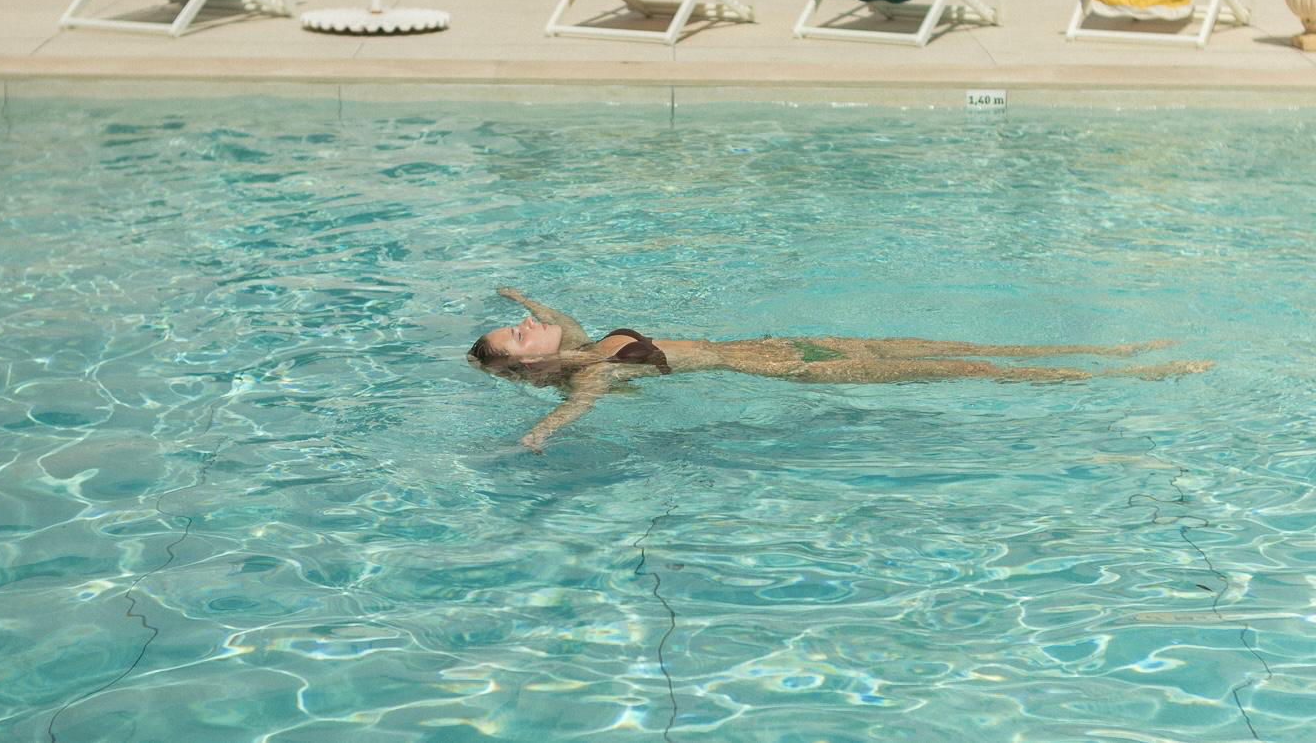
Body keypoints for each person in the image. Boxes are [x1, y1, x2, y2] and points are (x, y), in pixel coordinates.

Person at [468, 287, 1211, 451]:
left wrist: (518, 299)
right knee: (967, 365)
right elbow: (571, 411)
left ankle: (1112, 354)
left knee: (934, 348)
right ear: (527, 367)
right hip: (802, 375)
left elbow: (555, 316)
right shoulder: (587, 375)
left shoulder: (579, 338)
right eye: (519, 334)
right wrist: (538, 437)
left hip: (797, 341)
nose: (533, 327)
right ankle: (1136, 379)